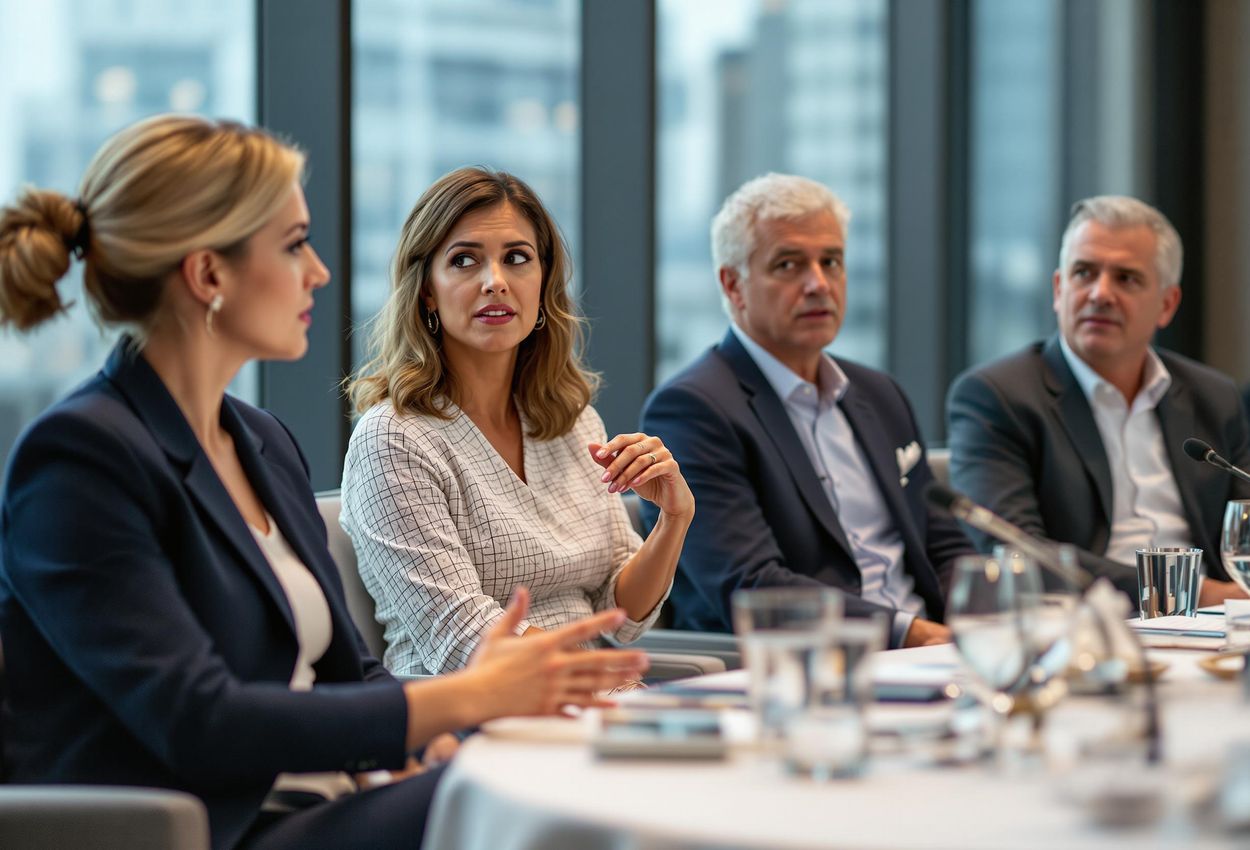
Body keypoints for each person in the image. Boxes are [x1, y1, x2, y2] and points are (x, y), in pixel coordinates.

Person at [0, 115, 647, 850]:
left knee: (581, 781)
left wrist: (436, 730)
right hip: (213, 827)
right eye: (294, 244)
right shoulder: (81, 456)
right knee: (563, 801)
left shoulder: (262, 443)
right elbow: (196, 720)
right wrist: (457, 700)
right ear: (209, 274)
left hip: (329, 800)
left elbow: (353, 673)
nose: (319, 272)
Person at [342, 167, 694, 677]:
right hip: (472, 717)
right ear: (426, 292)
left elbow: (619, 616)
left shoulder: (574, 425)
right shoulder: (393, 439)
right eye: (464, 261)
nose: (495, 282)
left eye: (517, 258)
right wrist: (607, 692)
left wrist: (673, 520)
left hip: (590, 702)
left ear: (543, 280)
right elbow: (465, 637)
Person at [640, 173, 970, 648]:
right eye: (789, 264)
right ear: (733, 284)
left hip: (932, 653)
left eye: (831, 261)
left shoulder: (879, 394)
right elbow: (752, 588)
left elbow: (942, 545)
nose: (818, 284)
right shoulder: (693, 410)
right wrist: (914, 635)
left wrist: (986, 624)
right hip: (805, 670)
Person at [947, 195, 1249, 602]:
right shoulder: (996, 397)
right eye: (1084, 273)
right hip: (1085, 628)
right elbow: (1016, 552)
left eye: (1126, 278)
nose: (1099, 294)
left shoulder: (1213, 397)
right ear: (1058, 289)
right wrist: (1190, 591)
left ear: (1167, 304)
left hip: (1216, 630)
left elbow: (1243, 528)